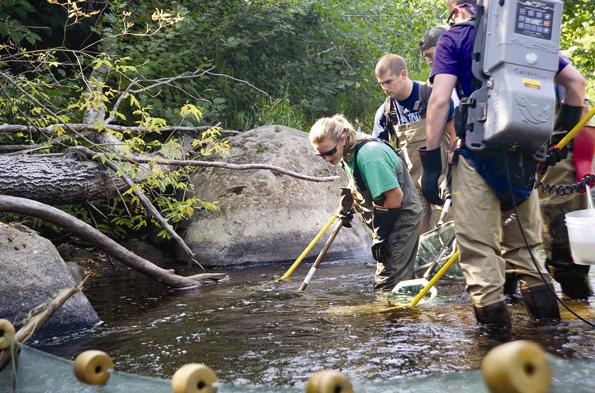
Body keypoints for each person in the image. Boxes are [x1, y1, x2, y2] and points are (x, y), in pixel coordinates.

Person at [420, 0, 585, 333]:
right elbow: (576, 85)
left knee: (481, 258)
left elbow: (439, 101)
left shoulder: (454, 39)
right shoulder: (526, 36)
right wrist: (556, 142)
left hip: (477, 158)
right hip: (524, 161)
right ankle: (553, 342)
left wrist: (430, 163)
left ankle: (493, 354)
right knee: (527, 254)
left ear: (454, 6)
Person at [310, 114, 422, 290]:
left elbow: (394, 198)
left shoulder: (370, 155)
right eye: (321, 155)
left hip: (400, 220)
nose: (328, 159)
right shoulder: (348, 149)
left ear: (343, 137)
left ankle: (392, 315)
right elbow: (358, 177)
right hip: (387, 219)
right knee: (402, 277)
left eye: (330, 152)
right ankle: (412, 313)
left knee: (387, 282)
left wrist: (381, 236)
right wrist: (347, 201)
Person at [372, 54, 456, 233]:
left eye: (389, 81)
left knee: (445, 235)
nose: (385, 88)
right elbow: (379, 153)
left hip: (443, 180)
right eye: (381, 84)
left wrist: (453, 178)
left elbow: (455, 139)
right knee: (419, 240)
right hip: (413, 186)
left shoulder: (433, 98)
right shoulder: (386, 112)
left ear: (403, 74)